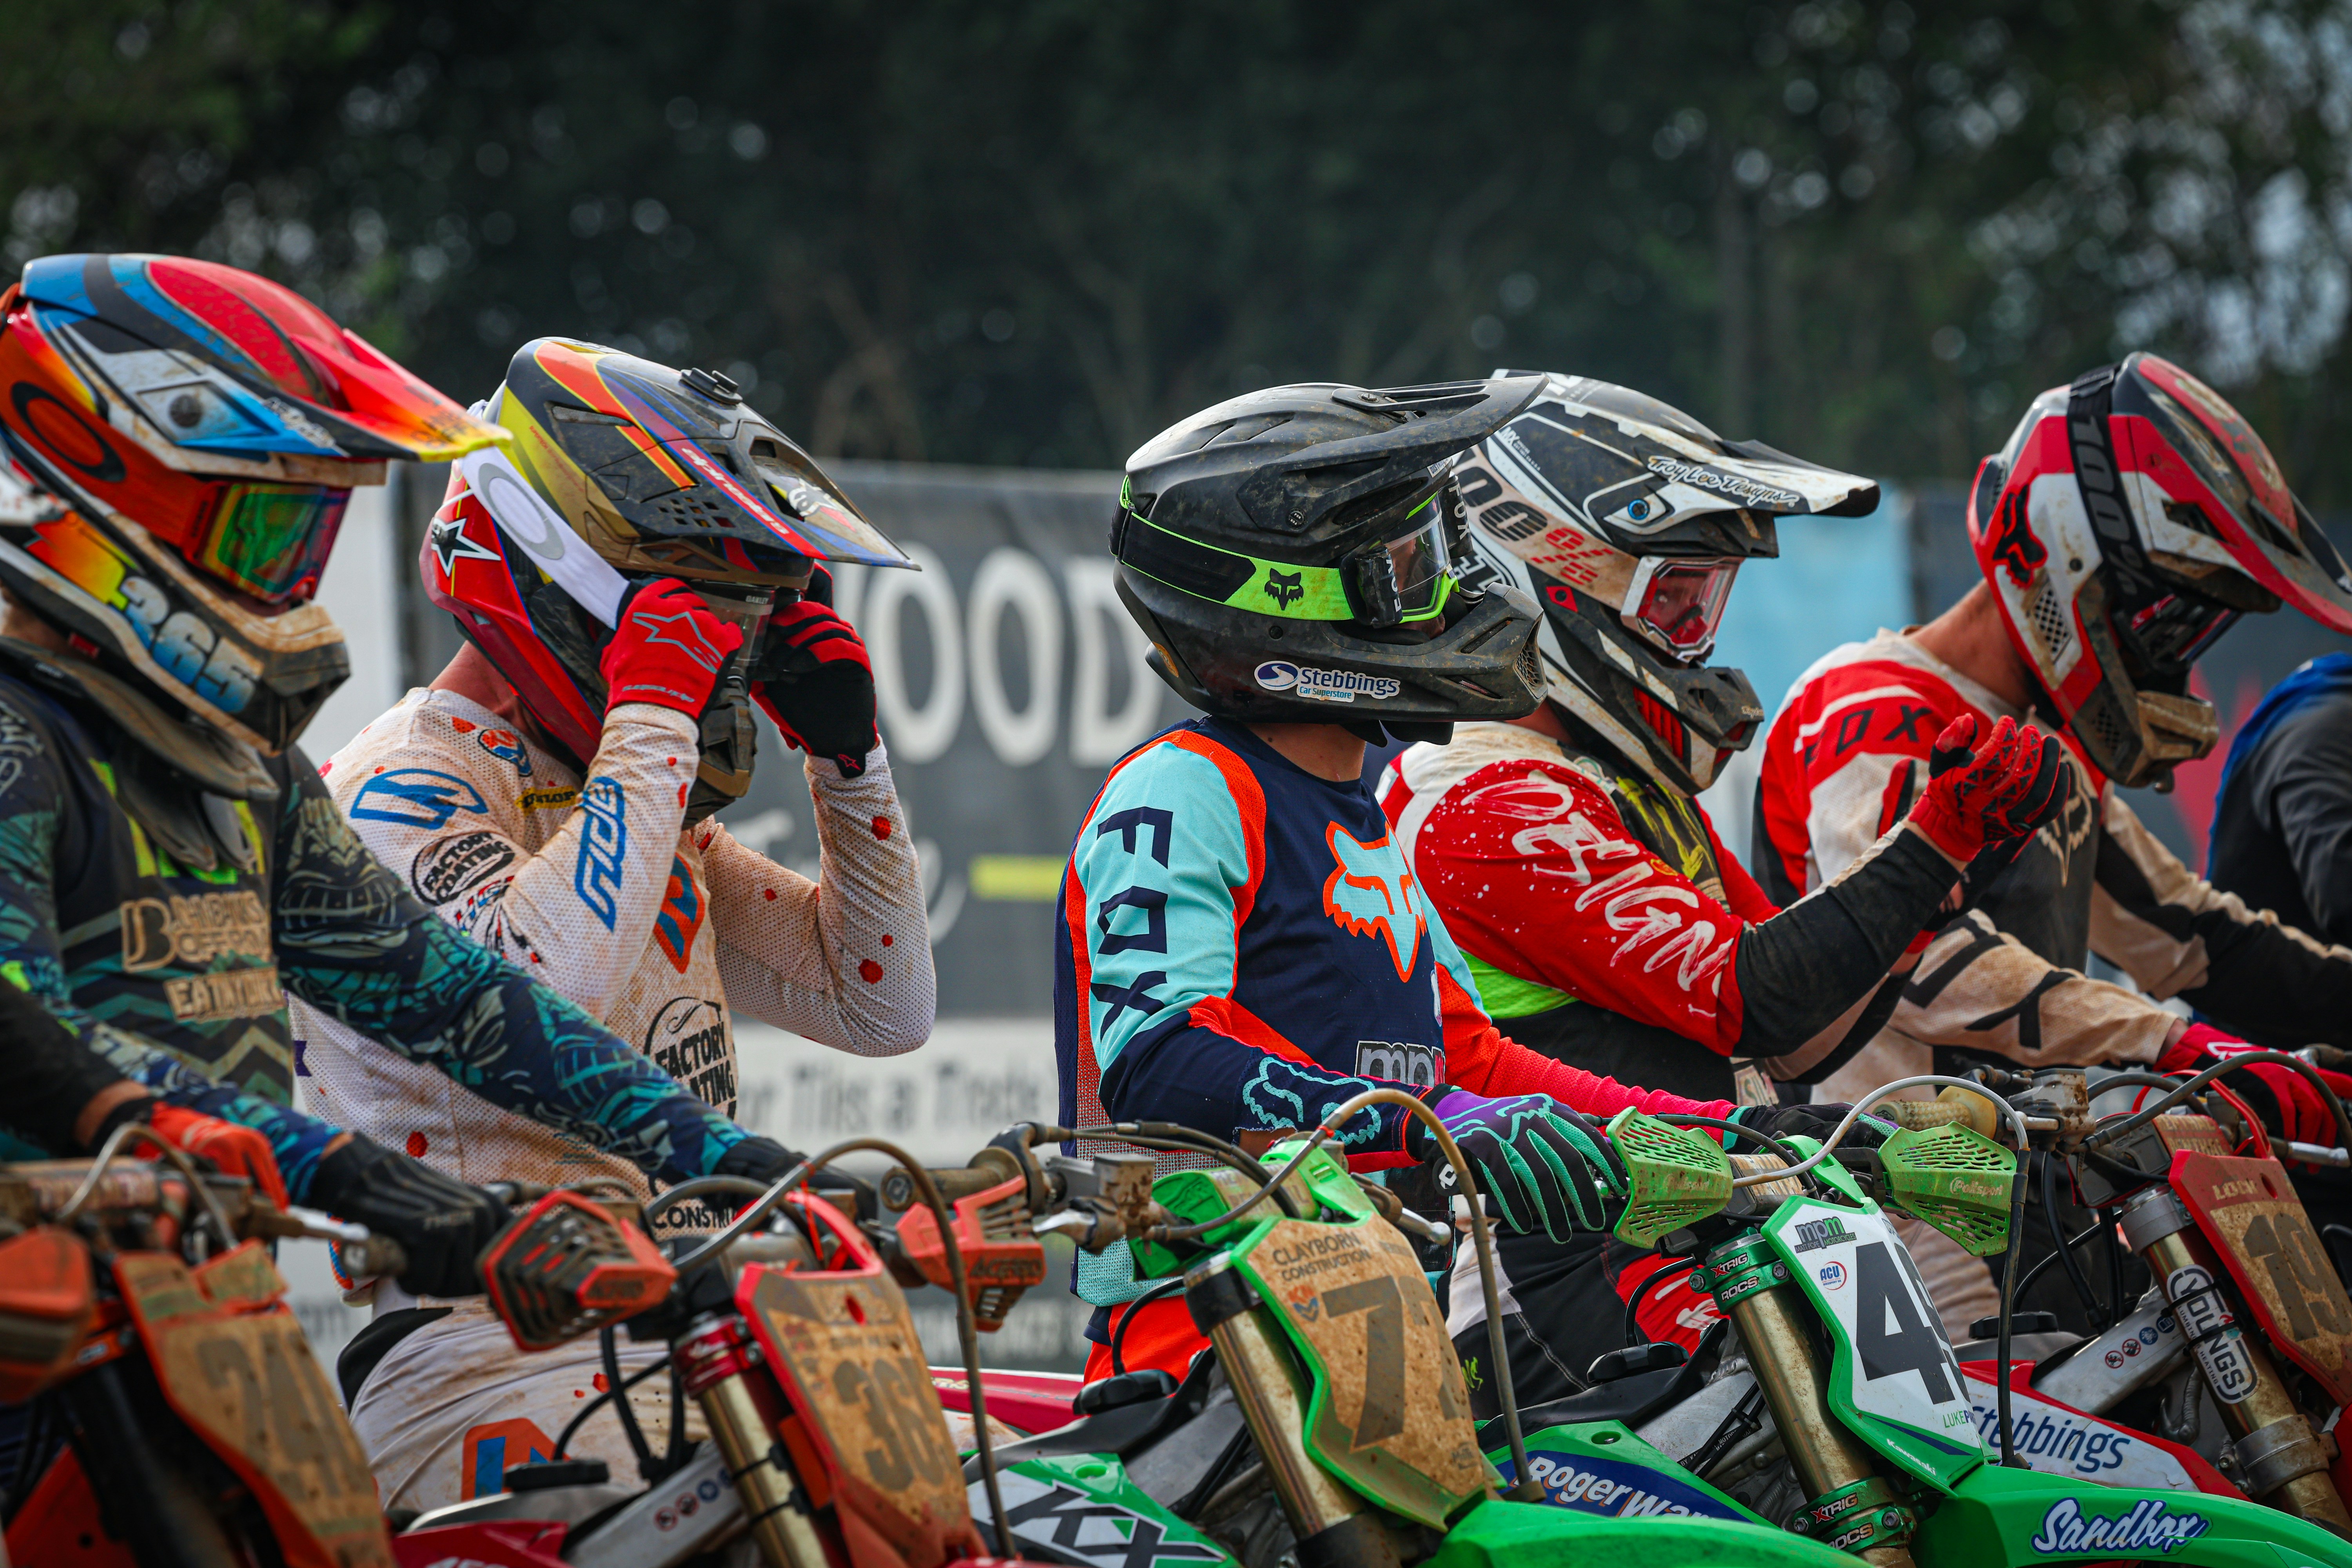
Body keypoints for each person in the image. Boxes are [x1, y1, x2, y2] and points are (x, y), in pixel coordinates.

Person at [0, 253, 804, 1320]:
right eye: (263, 533)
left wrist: (737, 1156)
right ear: (99, 496)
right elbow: (27, 1031)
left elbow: (450, 995)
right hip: (32, 1331)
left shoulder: (248, 771)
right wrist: (345, 1172)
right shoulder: (18, 742)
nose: (289, 584)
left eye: (309, 542)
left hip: (193, 1320)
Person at [298, 339, 932, 1509]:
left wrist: (851, 761)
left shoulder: (633, 804)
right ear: (553, 579)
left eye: (746, 624)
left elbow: (879, 1008)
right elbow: (548, 993)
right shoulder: (401, 786)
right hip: (475, 1351)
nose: (726, 663)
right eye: (702, 617)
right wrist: (650, 715)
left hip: (678, 1314)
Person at [1065, 375, 1778, 1402]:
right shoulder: (1186, 786)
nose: (1450, 594)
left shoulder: (1362, 814)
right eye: (1408, 568)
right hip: (1204, 1367)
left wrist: (1711, 1137)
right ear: (1290, 595)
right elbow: (1162, 1056)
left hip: (1371, 1351)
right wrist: (1412, 1120)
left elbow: (1473, 1063)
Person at [1379, 374, 2071, 1372]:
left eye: (1707, 595)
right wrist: (1937, 839)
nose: (1697, 631)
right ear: (1545, 577)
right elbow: (1758, 997)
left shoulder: (1622, 782)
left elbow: (1818, 1026)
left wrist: (1953, 867)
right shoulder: (1485, 798)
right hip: (1573, 1295)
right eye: (1673, 594)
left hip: (1708, 1229)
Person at [1755, 353, 2352, 1333]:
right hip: (1881, 1188)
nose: (2172, 656)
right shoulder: (1871, 702)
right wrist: (2180, 1042)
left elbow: (2195, 936)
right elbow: (1922, 960)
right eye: (2165, 619)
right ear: (2065, 557)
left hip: (2033, 1177)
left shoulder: (2045, 747)